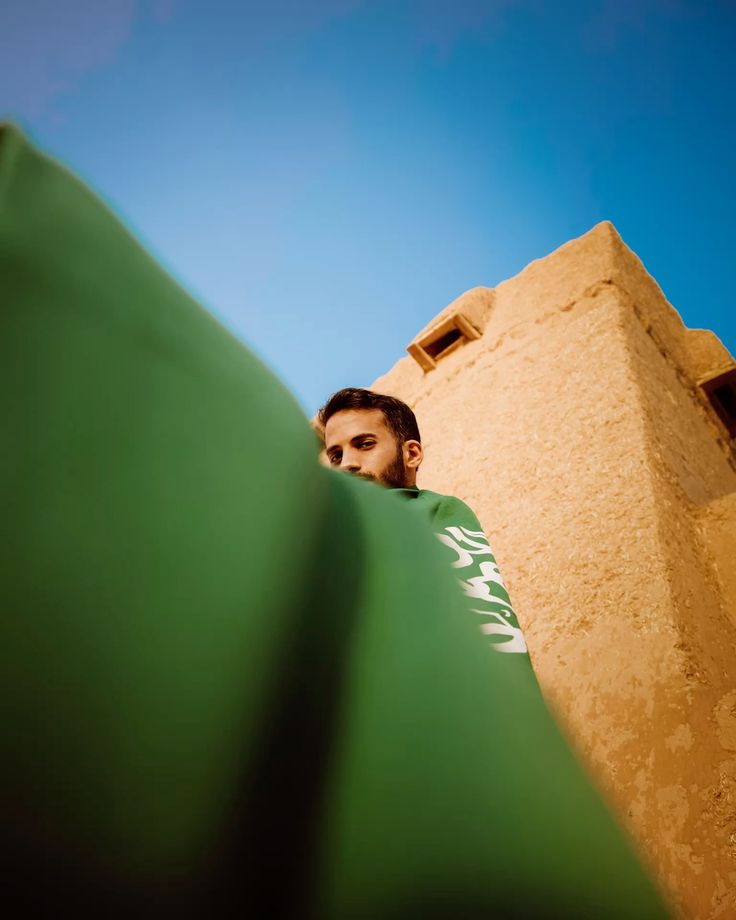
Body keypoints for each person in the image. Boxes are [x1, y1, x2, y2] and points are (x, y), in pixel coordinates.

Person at [318, 387, 529, 656]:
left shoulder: (434, 510)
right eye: (336, 456)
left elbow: (489, 629)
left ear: (412, 454)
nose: (347, 464)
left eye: (364, 444)